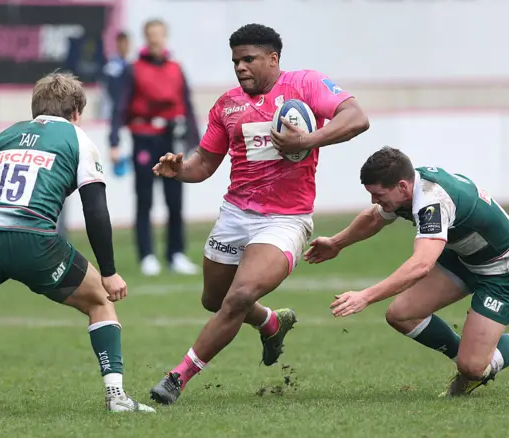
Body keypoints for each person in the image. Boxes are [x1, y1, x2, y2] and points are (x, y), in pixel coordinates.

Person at [149, 23, 370, 405]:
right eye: (236, 60)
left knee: (241, 294)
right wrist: (179, 170)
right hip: (235, 215)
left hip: (285, 219)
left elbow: (356, 117)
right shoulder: (227, 105)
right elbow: (203, 163)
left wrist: (308, 140)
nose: (240, 67)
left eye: (249, 59)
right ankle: (271, 321)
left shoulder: (305, 84)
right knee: (215, 300)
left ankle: (177, 377)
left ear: (273, 58)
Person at [0, 72, 155, 413]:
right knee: (100, 301)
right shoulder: (78, 139)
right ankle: (116, 397)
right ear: (76, 111)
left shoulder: (3, 137)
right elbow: (96, 210)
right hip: (36, 242)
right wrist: (109, 271)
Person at [305, 146, 509, 396]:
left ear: (401, 186)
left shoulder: (431, 201)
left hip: (502, 268)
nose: (374, 200)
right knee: (401, 315)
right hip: (462, 256)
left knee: (473, 368)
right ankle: (475, 362)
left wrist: (365, 296)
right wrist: (336, 243)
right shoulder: (408, 187)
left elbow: (421, 265)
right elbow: (374, 217)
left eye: (378, 195)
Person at [109, 19, 199, 276]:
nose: (156, 39)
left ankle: (176, 254)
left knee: (175, 200)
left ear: (165, 36)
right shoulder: (134, 69)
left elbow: (188, 105)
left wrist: (197, 142)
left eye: (159, 34)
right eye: (151, 34)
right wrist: (114, 141)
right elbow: (120, 106)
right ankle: (147, 255)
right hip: (144, 137)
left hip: (172, 138)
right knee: (145, 198)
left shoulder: (176, 68)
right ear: (146, 37)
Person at [103, 31, 131, 119]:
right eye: (121, 43)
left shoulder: (132, 62)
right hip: (116, 109)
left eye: (126, 43)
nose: (124, 46)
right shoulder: (111, 66)